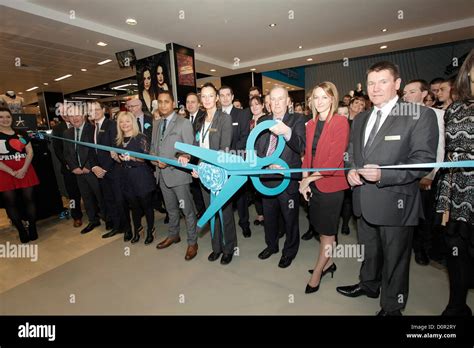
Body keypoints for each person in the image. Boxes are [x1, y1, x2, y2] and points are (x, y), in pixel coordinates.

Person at [336, 61, 438, 316]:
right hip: (362, 198)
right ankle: (369, 284)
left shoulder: (418, 115)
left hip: (397, 202)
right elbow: (350, 153)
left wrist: (384, 174)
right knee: (369, 249)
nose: (376, 88)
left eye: (383, 82)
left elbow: (424, 162)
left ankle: (392, 306)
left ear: (397, 84)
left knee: (395, 258)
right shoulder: (360, 118)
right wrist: (350, 170)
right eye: (371, 83)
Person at [300, 82, 349, 293]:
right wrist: (304, 179)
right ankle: (329, 263)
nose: (319, 101)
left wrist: (309, 180)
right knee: (321, 229)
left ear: (332, 99)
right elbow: (307, 157)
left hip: (331, 186)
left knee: (328, 233)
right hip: (314, 184)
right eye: (316, 97)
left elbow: (334, 161)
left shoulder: (340, 122)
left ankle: (318, 272)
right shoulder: (310, 124)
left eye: (324, 97)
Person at [435, 49, 474, 316]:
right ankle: (456, 306)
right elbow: (450, 155)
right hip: (457, 189)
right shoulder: (456, 108)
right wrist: (446, 201)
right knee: (456, 250)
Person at [255, 86, 306, 269]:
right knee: (269, 216)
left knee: (290, 217)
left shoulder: (297, 119)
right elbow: (257, 148)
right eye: (273, 99)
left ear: (288, 101)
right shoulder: (263, 120)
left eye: (280, 99)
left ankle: (289, 251)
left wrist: (287, 132)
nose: (276, 103)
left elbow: (300, 146)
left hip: (287, 178)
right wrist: (266, 163)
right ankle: (271, 245)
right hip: (267, 177)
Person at [192, 83, 236, 265]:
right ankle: (216, 247)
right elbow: (197, 145)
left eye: (211, 96)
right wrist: (195, 165)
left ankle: (229, 248)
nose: (207, 99)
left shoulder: (224, 119)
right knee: (211, 211)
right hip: (203, 173)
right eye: (204, 96)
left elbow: (224, 151)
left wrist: (206, 168)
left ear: (217, 98)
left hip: (219, 173)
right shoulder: (199, 119)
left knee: (224, 212)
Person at [151, 91, 198, 260]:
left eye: (166, 102)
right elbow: (152, 149)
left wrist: (177, 159)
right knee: (171, 209)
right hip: (161, 175)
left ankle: (192, 242)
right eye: (160, 102)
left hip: (178, 176)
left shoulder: (183, 123)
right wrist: (156, 162)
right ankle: (174, 234)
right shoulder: (156, 124)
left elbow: (188, 150)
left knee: (187, 211)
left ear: (173, 103)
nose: (163, 105)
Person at [403, 79, 445, 265]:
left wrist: (430, 175)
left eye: (412, 92)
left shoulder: (436, 115)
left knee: (423, 215)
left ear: (424, 94)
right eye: (404, 93)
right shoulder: (399, 116)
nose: (407, 96)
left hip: (425, 176)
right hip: (402, 176)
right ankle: (407, 246)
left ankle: (420, 248)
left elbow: (440, 148)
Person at [113, 111, 156, 244]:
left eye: (127, 121)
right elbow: (122, 161)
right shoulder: (118, 141)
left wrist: (131, 157)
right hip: (126, 176)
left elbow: (146, 159)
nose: (124, 124)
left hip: (141, 175)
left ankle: (150, 230)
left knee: (146, 205)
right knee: (134, 206)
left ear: (132, 122)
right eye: (121, 121)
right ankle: (138, 229)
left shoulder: (140, 137)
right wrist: (117, 158)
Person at [0, 107, 39, 243]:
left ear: (12, 118)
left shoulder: (21, 133)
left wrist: (23, 169)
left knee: (29, 199)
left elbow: (30, 152)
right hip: (4, 171)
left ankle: (32, 227)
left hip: (25, 168)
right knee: (10, 203)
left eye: (8, 116)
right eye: (1, 117)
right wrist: (11, 172)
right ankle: (21, 230)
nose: (5, 119)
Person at [63, 110, 105, 235]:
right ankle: (93, 220)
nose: (75, 118)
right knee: (86, 197)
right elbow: (67, 153)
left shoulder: (92, 129)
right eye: (71, 116)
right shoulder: (67, 133)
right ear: (68, 118)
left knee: (100, 195)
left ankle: (108, 219)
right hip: (78, 172)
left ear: (83, 116)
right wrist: (73, 167)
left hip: (92, 170)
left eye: (77, 115)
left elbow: (95, 150)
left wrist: (89, 166)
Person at [87, 101, 125, 238]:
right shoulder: (91, 128)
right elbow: (90, 151)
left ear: (104, 110)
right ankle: (116, 226)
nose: (94, 112)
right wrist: (94, 167)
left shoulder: (111, 125)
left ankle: (125, 227)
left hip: (113, 170)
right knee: (108, 200)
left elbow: (115, 148)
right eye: (91, 110)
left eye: (97, 109)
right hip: (99, 172)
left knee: (119, 200)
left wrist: (104, 169)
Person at [219, 85, 252, 238]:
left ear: (232, 97)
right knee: (224, 195)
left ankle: (244, 223)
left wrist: (230, 155)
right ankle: (227, 226)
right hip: (219, 162)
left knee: (240, 196)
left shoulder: (242, 114)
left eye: (228, 95)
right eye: (222, 95)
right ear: (219, 98)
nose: (225, 98)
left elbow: (245, 137)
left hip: (236, 159)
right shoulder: (216, 115)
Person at [52, 103, 83, 228]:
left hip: (84, 166)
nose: (65, 114)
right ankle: (76, 216)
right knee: (72, 194)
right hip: (68, 168)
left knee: (88, 191)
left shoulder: (82, 124)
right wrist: (69, 164)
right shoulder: (58, 129)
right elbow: (58, 150)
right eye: (62, 112)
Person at [185, 92, 206, 217]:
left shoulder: (204, 117)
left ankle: (206, 210)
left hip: (201, 159)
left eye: (193, 102)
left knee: (202, 187)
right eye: (188, 102)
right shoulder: (183, 119)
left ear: (199, 103)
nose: (190, 104)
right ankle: (201, 210)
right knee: (194, 188)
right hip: (188, 160)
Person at [249, 95, 266, 226]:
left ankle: (268, 215)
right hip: (251, 160)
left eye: (257, 104)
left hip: (263, 159)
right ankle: (260, 215)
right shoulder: (249, 121)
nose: (254, 107)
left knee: (264, 187)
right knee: (255, 188)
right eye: (252, 105)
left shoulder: (266, 120)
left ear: (263, 105)